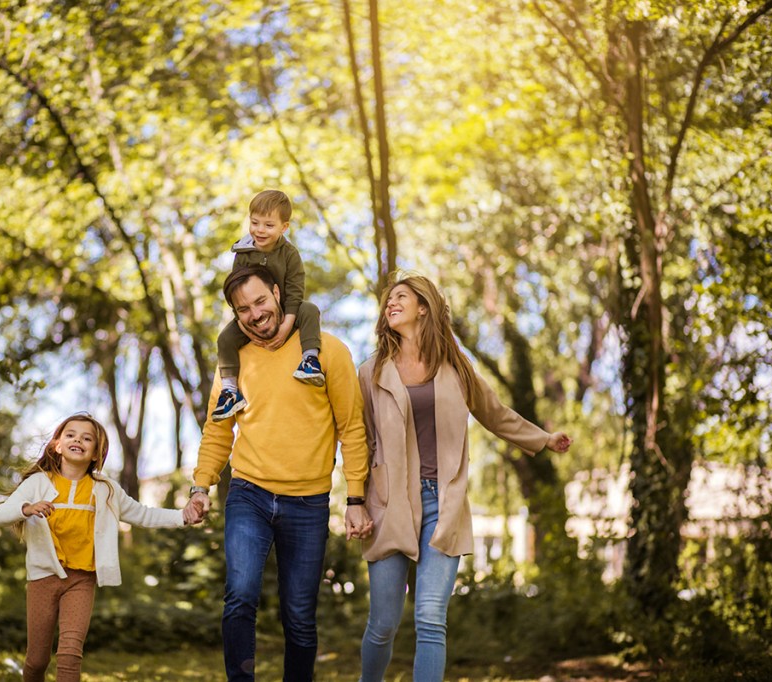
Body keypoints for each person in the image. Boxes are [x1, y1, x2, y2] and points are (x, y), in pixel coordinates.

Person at [356, 274, 573, 682]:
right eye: (388, 300)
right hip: (389, 504)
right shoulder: (371, 372)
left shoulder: (455, 367)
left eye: (401, 296)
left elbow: (494, 412)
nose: (391, 303)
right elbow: (357, 439)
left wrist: (543, 439)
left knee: (431, 617)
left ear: (424, 307)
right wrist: (355, 501)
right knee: (383, 623)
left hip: (443, 503)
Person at [185, 265, 374, 681]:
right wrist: (201, 486)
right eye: (243, 310)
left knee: (300, 615)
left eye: (260, 301)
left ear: (276, 293)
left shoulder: (328, 350)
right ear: (236, 316)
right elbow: (218, 430)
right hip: (249, 493)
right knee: (239, 596)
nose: (255, 314)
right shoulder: (232, 363)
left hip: (308, 502)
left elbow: (352, 428)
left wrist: (356, 498)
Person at [0, 412, 201, 682]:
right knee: (37, 660)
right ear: (57, 445)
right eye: (70, 435)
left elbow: (142, 514)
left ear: (95, 453)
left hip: (81, 579)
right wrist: (26, 508)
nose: (78, 439)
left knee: (69, 653)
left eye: (87, 438)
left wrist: (183, 516)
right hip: (43, 578)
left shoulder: (105, 489)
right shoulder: (38, 483)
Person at [211, 189, 324, 422]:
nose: (260, 230)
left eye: (268, 225)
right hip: (252, 316)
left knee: (310, 310)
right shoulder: (242, 253)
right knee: (225, 339)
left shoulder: (290, 255)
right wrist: (246, 329)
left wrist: (287, 325)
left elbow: (295, 291)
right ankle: (230, 390)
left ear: (284, 227)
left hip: (286, 312)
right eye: (255, 223)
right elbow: (236, 294)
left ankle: (310, 360)